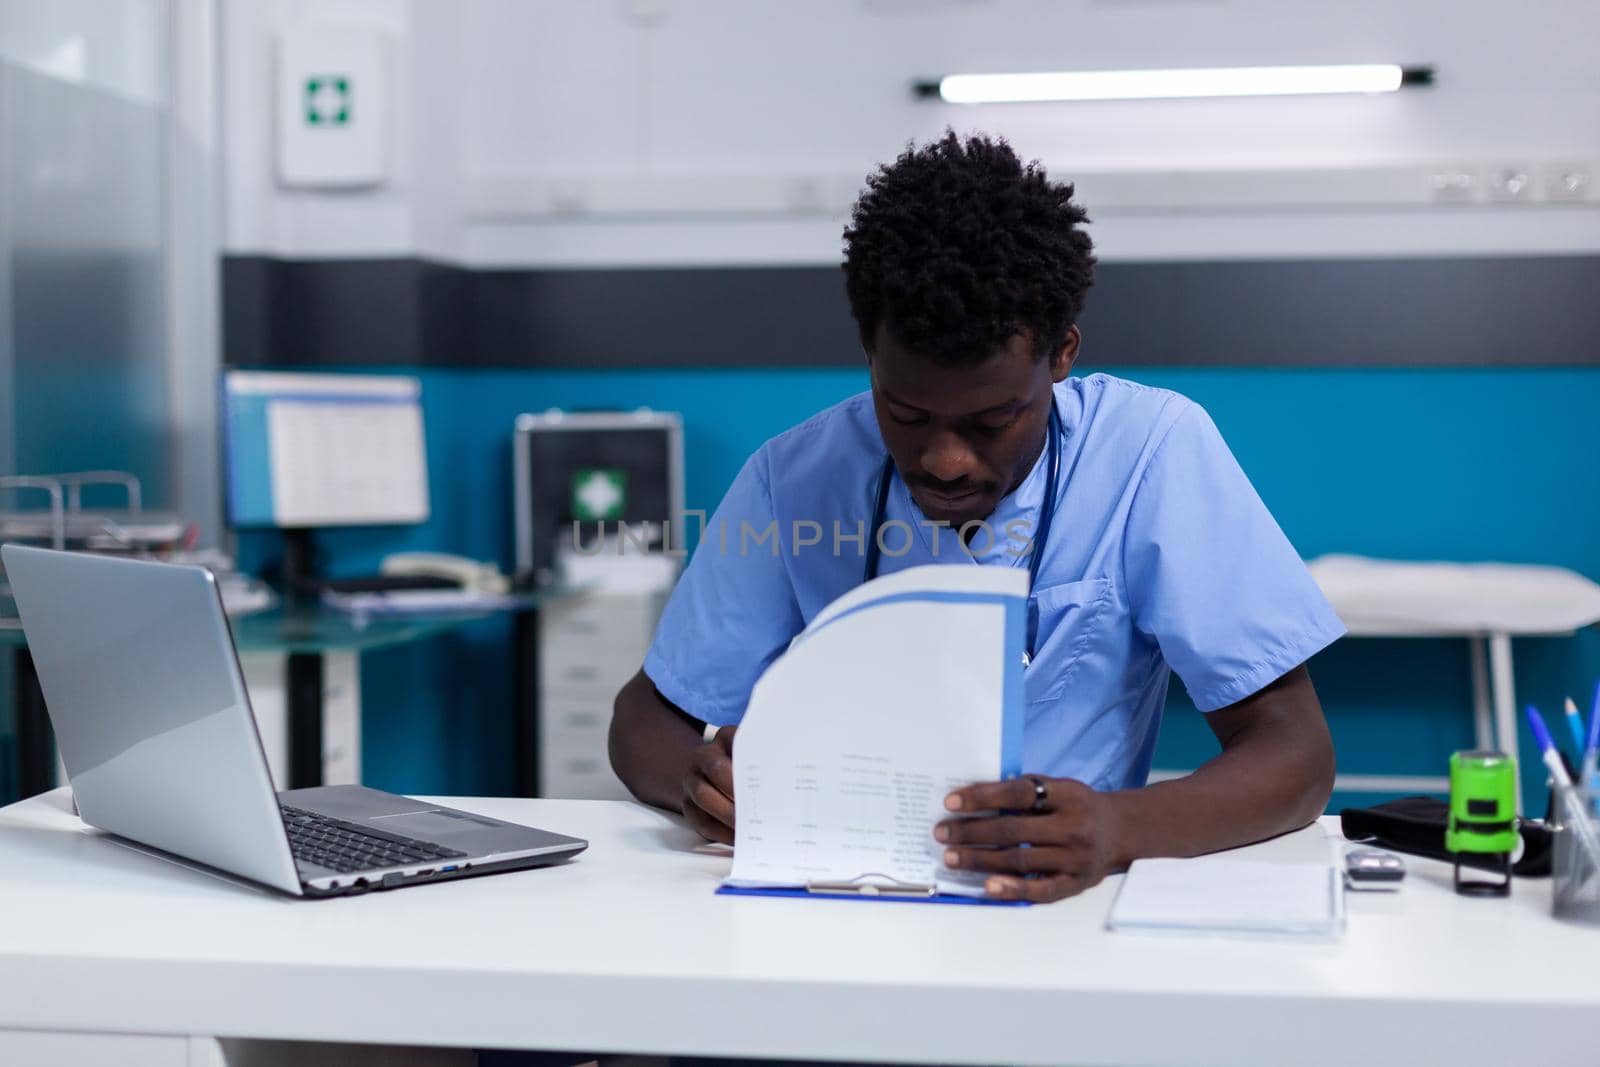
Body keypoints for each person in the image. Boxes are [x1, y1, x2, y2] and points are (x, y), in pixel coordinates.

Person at [608, 131, 1345, 903]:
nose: (945, 459)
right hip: (843, 899)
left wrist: (1119, 828)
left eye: (994, 420)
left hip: (1063, 907)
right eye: (906, 413)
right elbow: (645, 718)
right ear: (869, 349)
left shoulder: (1150, 453)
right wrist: (696, 781)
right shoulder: (794, 479)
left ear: (1061, 354)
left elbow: (1295, 754)